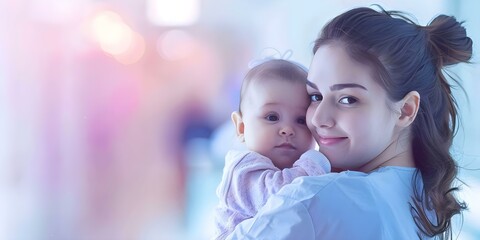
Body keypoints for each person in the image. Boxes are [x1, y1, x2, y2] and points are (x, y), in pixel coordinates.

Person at [226, 6, 472, 240]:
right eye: (315, 96)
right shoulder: (425, 202)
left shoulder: (312, 199)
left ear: (405, 110)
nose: (318, 119)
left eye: (347, 99)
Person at [213, 59, 331, 240]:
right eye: (272, 117)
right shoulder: (243, 170)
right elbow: (283, 198)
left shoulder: (290, 169)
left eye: (300, 120)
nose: (287, 129)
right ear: (242, 128)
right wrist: (316, 162)